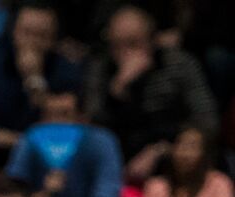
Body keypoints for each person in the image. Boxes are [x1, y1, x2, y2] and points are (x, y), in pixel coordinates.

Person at [83, 5, 218, 178]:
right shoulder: (102, 68)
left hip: (173, 159)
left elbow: (207, 120)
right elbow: (93, 128)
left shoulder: (178, 64)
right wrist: (118, 89)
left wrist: (162, 150)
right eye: (117, 45)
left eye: (133, 43)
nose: (125, 53)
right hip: (118, 164)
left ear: (152, 40)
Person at [4, 88, 122, 197]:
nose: (56, 122)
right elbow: (10, 195)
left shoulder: (102, 142)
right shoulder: (31, 139)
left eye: (64, 114)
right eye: (49, 115)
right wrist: (46, 194)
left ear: (82, 118)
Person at [0, 1, 82, 161]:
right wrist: (7, 138)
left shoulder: (64, 69)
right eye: (26, 33)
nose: (32, 42)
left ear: (53, 40)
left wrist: (35, 79)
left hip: (45, 155)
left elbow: (61, 123)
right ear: (13, 32)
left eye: (41, 35)